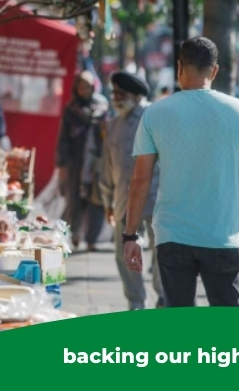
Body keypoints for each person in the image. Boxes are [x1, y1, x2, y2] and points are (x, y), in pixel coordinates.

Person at [123, 36, 239, 308]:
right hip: (222, 237)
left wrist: (130, 235)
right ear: (215, 70)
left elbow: (140, 179)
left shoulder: (156, 113)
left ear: (180, 67)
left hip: (172, 236)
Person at [100, 72, 163, 309]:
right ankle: (136, 303)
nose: (116, 98)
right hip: (123, 201)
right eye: (114, 93)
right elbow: (107, 166)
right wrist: (107, 202)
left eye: (121, 94)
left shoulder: (154, 118)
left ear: (136, 96)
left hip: (156, 199)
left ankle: (163, 298)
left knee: (161, 252)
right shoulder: (113, 125)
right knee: (123, 254)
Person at [56, 70, 109, 251]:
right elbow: (64, 137)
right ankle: (75, 232)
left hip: (97, 161)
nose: (84, 90)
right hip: (76, 160)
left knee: (97, 199)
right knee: (75, 199)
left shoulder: (102, 107)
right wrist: (62, 163)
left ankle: (92, 238)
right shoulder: (71, 109)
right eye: (81, 87)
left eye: (88, 87)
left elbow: (109, 133)